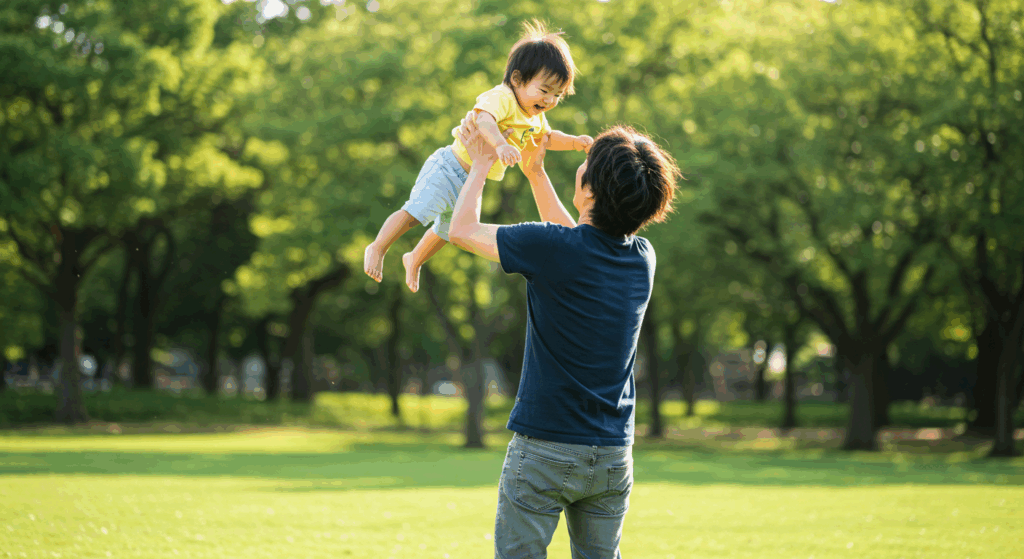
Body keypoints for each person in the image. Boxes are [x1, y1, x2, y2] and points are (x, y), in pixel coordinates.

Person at [449, 111, 681, 559]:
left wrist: (479, 163)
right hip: (613, 455)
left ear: (590, 188)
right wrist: (536, 174)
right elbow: (579, 242)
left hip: (545, 450)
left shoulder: (554, 248)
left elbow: (462, 230)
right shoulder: (642, 258)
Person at [362, 20, 594, 293]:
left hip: (473, 178)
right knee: (416, 212)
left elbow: (547, 138)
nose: (550, 101)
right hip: (449, 168)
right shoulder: (504, 97)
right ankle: (378, 247)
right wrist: (499, 145)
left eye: (558, 95)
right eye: (544, 91)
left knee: (447, 231)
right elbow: (483, 119)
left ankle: (414, 258)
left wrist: (575, 142)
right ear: (518, 79)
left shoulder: (535, 117)